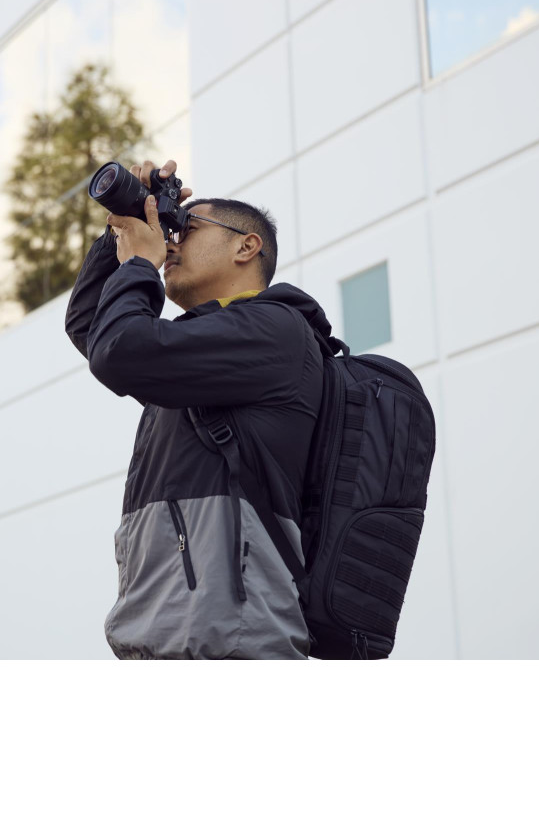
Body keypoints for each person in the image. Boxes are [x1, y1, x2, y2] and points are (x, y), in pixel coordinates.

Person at [65, 159, 338, 659]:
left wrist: (140, 264)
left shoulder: (274, 331)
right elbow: (91, 326)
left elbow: (119, 350)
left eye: (187, 228)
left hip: (232, 639)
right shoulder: (207, 348)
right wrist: (121, 231)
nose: (170, 244)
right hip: (166, 632)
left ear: (245, 246)